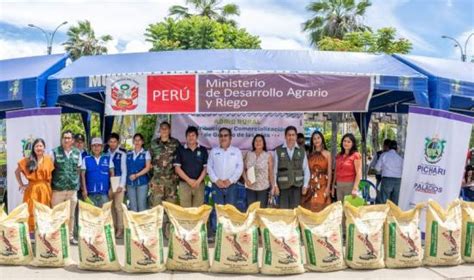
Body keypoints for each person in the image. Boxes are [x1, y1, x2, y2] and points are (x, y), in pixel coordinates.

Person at [15, 138, 54, 234]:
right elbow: (17, 172)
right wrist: (21, 184)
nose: (39, 148)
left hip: (45, 189)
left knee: (44, 210)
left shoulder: (48, 159)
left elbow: (51, 176)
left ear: (44, 148)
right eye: (37, 146)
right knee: (31, 210)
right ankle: (31, 234)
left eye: (41, 146)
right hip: (32, 189)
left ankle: (43, 234)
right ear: (33, 148)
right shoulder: (28, 160)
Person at [51, 130, 82, 245]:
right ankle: (56, 237)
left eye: (69, 138)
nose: (66, 140)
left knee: (71, 215)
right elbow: (50, 170)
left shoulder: (77, 153)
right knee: (56, 214)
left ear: (72, 140)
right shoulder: (54, 152)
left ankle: (69, 237)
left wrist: (75, 184)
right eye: (64, 137)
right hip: (58, 190)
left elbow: (78, 170)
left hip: (72, 190)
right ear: (61, 139)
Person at [274, 126, 310, 209]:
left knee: (295, 212)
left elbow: (306, 169)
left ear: (296, 136)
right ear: (285, 136)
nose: (291, 137)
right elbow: (274, 170)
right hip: (283, 188)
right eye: (289, 135)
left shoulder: (301, 151)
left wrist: (305, 185)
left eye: (293, 135)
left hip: (297, 187)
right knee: (284, 213)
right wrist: (275, 186)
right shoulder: (278, 150)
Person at [207, 127, 243, 208]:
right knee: (218, 211)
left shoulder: (236, 151)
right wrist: (216, 180)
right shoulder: (214, 151)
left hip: (231, 186)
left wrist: (230, 181)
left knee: (230, 212)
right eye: (221, 136)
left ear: (230, 138)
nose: (223, 138)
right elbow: (209, 167)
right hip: (217, 186)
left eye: (225, 135)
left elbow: (240, 168)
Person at [173, 126, 208, 208]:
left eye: (193, 135)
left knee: (198, 210)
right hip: (184, 184)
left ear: (197, 137)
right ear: (186, 137)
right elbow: (177, 168)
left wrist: (198, 181)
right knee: (185, 211)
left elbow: (205, 168)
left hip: (199, 184)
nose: (191, 137)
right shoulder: (180, 149)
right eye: (189, 135)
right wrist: (189, 180)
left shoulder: (203, 150)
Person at [149, 121, 181, 207]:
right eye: (162, 128)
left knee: (171, 207)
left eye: (166, 128)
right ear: (159, 130)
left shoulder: (175, 143)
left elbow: (180, 160)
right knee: (157, 207)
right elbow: (149, 162)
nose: (164, 130)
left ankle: (169, 221)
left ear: (169, 130)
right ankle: (158, 221)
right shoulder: (153, 144)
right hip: (157, 181)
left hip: (171, 181)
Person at [301, 131, 332, 212]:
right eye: (314, 139)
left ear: (322, 139)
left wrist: (328, 187)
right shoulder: (309, 155)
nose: (316, 140)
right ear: (312, 141)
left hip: (323, 184)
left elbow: (329, 172)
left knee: (321, 207)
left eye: (318, 138)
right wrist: (305, 185)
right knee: (309, 207)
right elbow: (306, 171)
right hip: (311, 184)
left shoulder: (328, 154)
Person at [242, 134, 276, 208]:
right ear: (253, 143)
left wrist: (273, 186)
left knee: (260, 211)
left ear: (263, 143)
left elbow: (271, 173)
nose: (258, 142)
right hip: (250, 188)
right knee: (251, 211)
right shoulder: (249, 154)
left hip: (263, 188)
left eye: (260, 141)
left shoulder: (268, 155)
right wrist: (246, 179)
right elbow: (242, 169)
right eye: (256, 141)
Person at [81, 137, 114, 208]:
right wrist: (84, 190)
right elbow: (82, 175)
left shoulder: (107, 158)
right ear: (91, 147)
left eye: (98, 145)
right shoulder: (86, 159)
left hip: (104, 193)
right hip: (90, 193)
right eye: (94, 145)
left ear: (102, 147)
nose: (96, 147)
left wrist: (111, 189)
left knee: (104, 216)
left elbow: (112, 173)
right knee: (91, 217)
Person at [106, 133, 127, 238]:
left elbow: (124, 171)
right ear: (108, 143)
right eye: (111, 141)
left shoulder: (122, 154)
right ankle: (113, 227)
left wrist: (121, 185)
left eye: (114, 141)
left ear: (118, 142)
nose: (112, 144)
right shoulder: (106, 153)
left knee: (118, 207)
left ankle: (120, 228)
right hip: (108, 183)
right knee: (111, 207)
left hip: (118, 182)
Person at [126, 133, 151, 212]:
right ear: (133, 141)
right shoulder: (128, 154)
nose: (137, 142)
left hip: (142, 183)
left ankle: (142, 224)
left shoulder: (146, 153)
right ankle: (134, 224)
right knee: (133, 207)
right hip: (130, 183)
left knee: (142, 206)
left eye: (139, 140)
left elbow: (147, 168)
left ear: (142, 142)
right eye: (135, 140)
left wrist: (137, 175)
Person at [334, 133, 362, 202]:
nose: (346, 143)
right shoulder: (339, 155)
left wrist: (355, 188)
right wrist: (333, 186)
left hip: (350, 185)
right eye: (344, 141)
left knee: (349, 209)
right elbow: (336, 171)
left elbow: (359, 172)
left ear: (353, 144)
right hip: (339, 185)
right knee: (340, 208)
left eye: (349, 141)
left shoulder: (356, 155)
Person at [375, 140, 403, 204]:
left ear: (388, 147)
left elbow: (377, 168)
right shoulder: (400, 158)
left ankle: (384, 213)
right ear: (397, 148)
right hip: (398, 181)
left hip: (387, 180)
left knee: (383, 201)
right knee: (395, 202)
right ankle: (393, 214)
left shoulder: (384, 155)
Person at [369, 139, 392, 203]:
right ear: (384, 145)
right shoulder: (379, 154)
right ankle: (378, 207)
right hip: (380, 177)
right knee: (379, 194)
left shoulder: (392, 154)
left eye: (388, 146)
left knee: (387, 196)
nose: (386, 148)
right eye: (385, 146)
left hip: (388, 178)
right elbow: (372, 164)